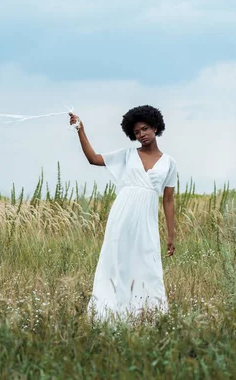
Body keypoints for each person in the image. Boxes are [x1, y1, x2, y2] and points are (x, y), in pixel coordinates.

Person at [69, 105, 177, 323]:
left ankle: (147, 315)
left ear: (155, 127)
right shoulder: (128, 155)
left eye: (145, 129)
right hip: (122, 215)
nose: (141, 135)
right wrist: (80, 129)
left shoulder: (169, 163)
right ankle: (111, 314)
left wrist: (171, 235)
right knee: (117, 262)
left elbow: (168, 200)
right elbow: (93, 158)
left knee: (148, 264)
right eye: (136, 132)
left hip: (146, 220)